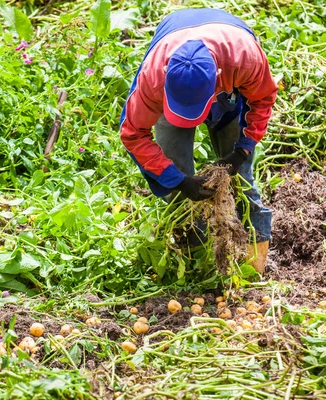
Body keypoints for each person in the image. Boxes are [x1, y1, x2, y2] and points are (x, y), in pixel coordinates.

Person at [119, 8, 277, 274]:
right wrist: (177, 180)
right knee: (177, 185)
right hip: (173, 75)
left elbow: (262, 100)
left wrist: (243, 150)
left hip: (226, 87)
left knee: (242, 179)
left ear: (216, 76)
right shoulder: (153, 77)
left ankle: (254, 267)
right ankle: (197, 266)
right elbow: (133, 133)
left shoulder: (244, 58)